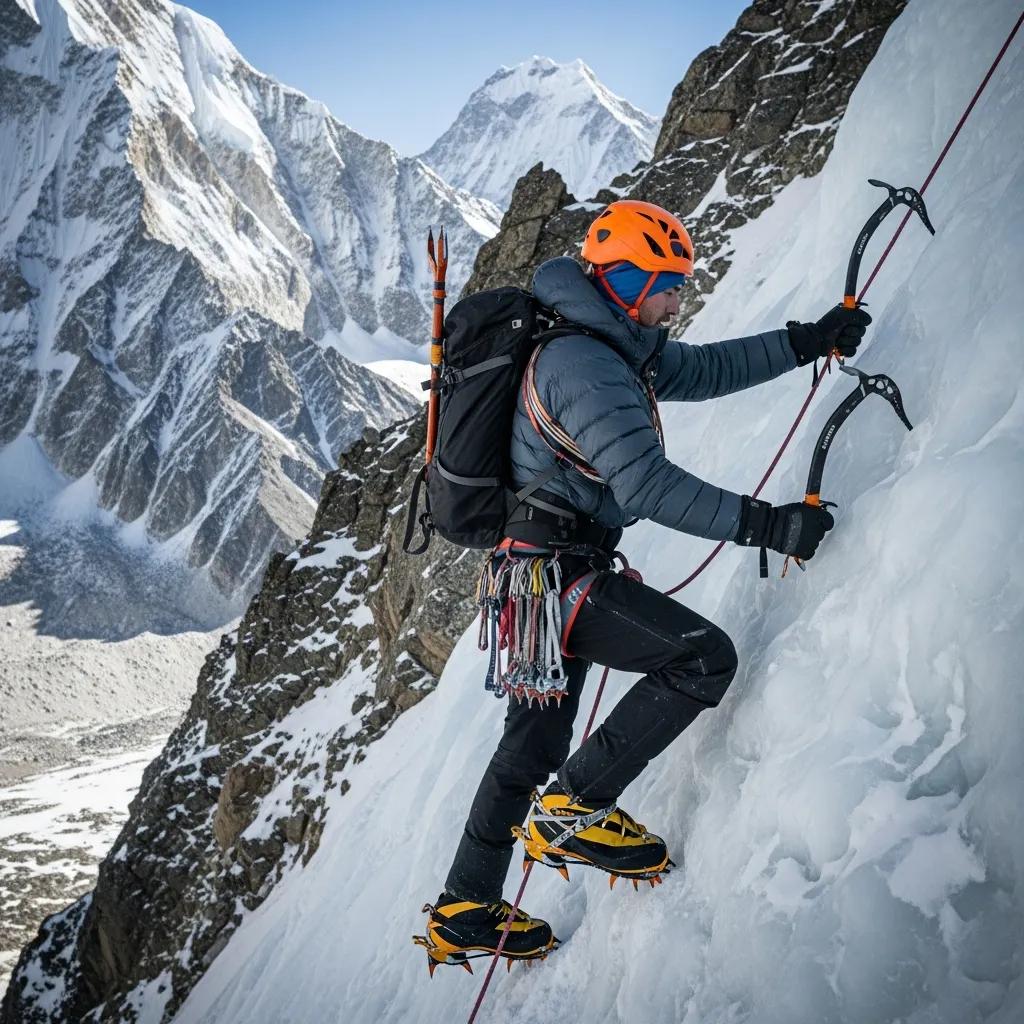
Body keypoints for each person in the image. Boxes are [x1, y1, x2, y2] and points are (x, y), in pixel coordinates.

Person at [416, 200, 870, 969]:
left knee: (530, 747)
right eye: (669, 285)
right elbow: (650, 485)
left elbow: (707, 368)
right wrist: (770, 526)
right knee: (701, 658)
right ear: (627, 280)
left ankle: (464, 906)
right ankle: (576, 808)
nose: (678, 301)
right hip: (558, 575)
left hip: (537, 582)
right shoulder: (583, 365)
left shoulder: (614, 342)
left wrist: (807, 342)